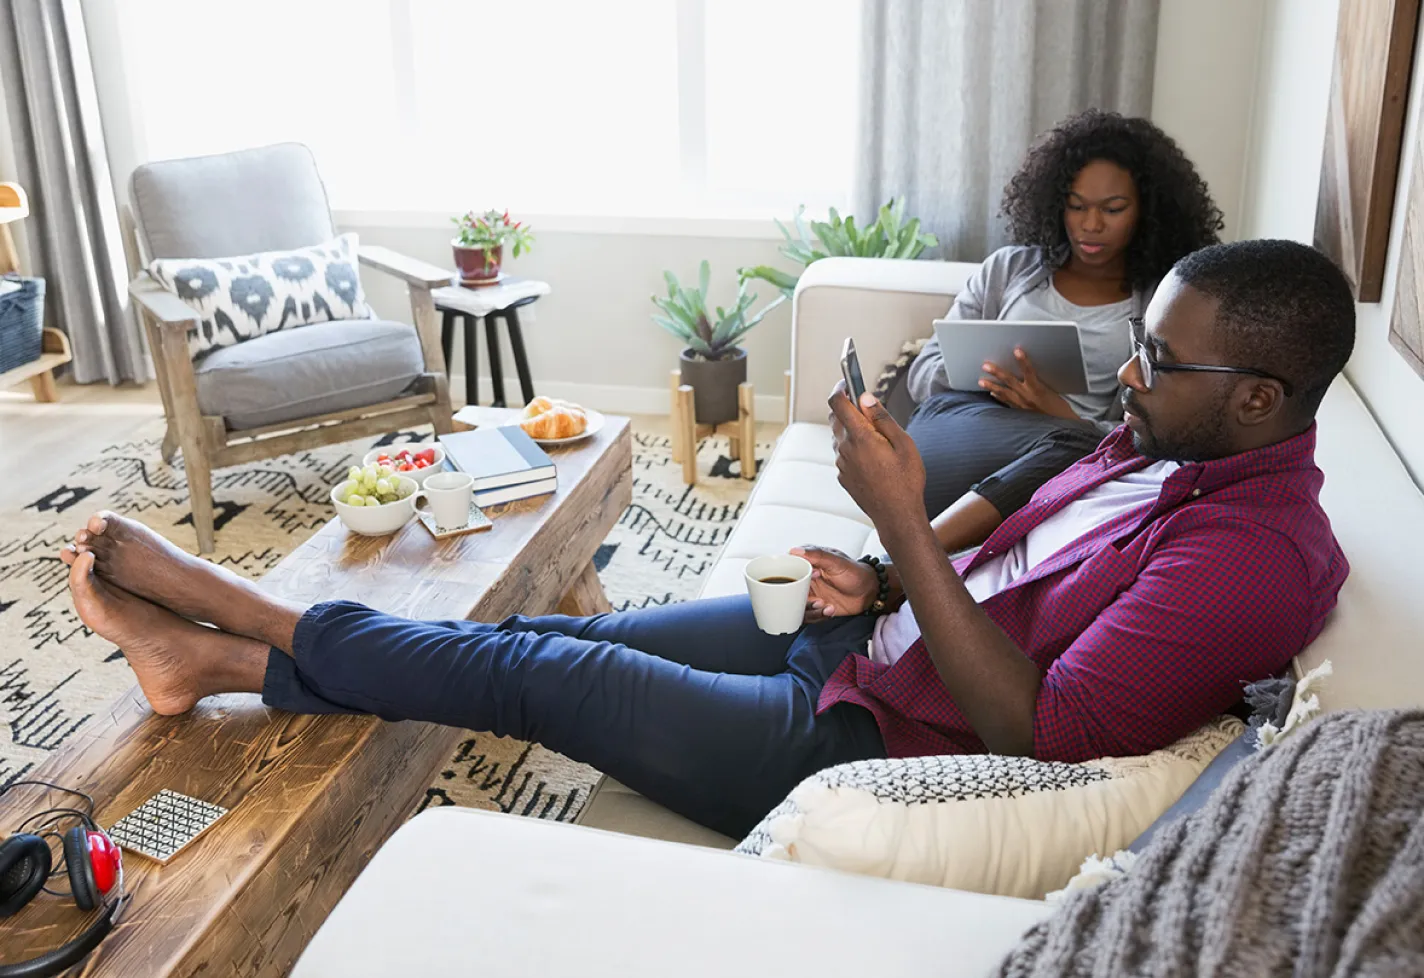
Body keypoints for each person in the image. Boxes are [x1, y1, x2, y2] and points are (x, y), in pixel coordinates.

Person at [60, 240, 1351, 841]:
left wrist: (900, 515)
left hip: (871, 743)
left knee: (538, 672)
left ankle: (240, 611)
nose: (1129, 375)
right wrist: (893, 568)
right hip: (868, 639)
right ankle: (211, 668)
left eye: (1160, 360)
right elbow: (1021, 518)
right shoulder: (1171, 442)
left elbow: (1043, 733)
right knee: (545, 634)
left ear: (1257, 396)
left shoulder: (1256, 557)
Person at [911, 110, 1224, 555]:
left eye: (1112, 209)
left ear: (1147, 211)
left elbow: (1155, 432)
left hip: (1070, 460)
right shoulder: (1008, 269)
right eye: (1076, 205)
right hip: (963, 429)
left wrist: (1061, 416)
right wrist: (988, 379)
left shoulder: (1164, 304)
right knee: (1074, 450)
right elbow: (923, 376)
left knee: (1078, 449)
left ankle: (908, 562)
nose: (1089, 225)